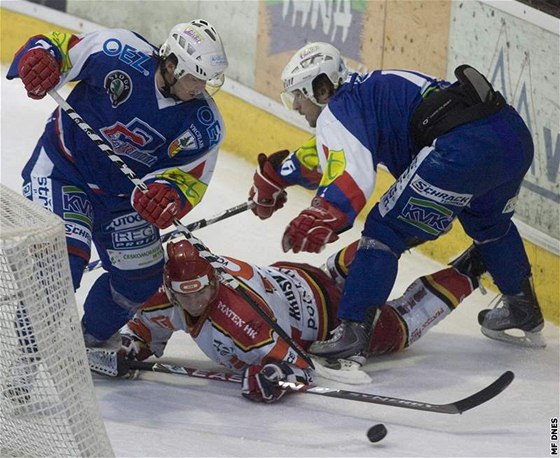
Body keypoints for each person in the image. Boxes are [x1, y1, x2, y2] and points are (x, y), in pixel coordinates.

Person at [247, 42, 545, 360]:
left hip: (462, 150)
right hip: (512, 137)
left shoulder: (338, 110)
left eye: (298, 95)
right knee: (490, 224)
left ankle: (353, 332)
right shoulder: (367, 91)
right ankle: (523, 309)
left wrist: (324, 212)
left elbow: (350, 173)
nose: (294, 105)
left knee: (384, 231)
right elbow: (331, 155)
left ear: (320, 90)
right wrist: (276, 176)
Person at [6, 20, 229, 346]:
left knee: (139, 280)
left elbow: (189, 178)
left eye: (207, 80)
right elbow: (59, 48)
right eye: (195, 77)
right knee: (59, 266)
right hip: (64, 171)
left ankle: (87, 339)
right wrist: (42, 58)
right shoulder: (118, 51)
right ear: (170, 65)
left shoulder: (204, 123)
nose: (200, 87)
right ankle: (25, 359)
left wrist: (168, 195)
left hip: (123, 199)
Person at [113, 238, 485, 403]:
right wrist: (134, 343)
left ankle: (472, 268)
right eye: (185, 294)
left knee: (401, 324)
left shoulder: (241, 321)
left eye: (201, 292)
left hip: (332, 322)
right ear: (169, 288)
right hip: (304, 276)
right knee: (376, 247)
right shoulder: (170, 292)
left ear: (214, 280)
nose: (194, 302)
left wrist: (273, 378)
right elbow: (148, 327)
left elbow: (300, 368)